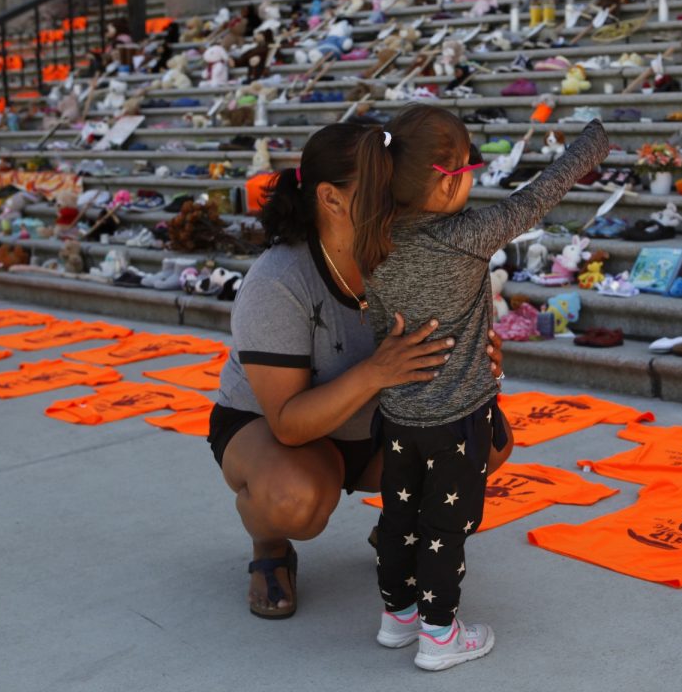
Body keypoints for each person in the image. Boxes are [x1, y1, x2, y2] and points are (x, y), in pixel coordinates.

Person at [210, 121, 511, 621]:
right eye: (379, 188)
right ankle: (268, 542)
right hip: (278, 433)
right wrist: (376, 371)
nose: (398, 199)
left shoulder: (417, 249)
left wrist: (477, 365)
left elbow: (447, 358)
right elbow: (287, 422)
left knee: (488, 439)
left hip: (375, 427)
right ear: (330, 199)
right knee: (295, 499)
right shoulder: (279, 280)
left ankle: (401, 526)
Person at [351, 106, 608, 671]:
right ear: (447, 180)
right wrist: (594, 144)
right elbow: (537, 198)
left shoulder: (372, 238)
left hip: (396, 417)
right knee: (444, 527)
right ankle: (439, 634)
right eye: (469, 170)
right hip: (456, 421)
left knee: (398, 517)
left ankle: (398, 616)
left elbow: (376, 325)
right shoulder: (466, 238)